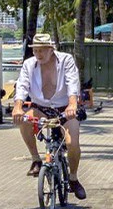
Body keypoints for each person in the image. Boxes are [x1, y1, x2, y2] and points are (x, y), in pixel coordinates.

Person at [13, 34, 87, 200]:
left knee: (72, 143)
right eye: (35, 51)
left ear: (51, 49)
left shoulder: (65, 60)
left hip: (64, 109)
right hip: (41, 107)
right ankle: (36, 160)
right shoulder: (29, 65)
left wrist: (72, 104)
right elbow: (22, 85)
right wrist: (17, 107)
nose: (38, 55)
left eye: (42, 51)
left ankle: (73, 178)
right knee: (23, 120)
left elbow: (72, 82)